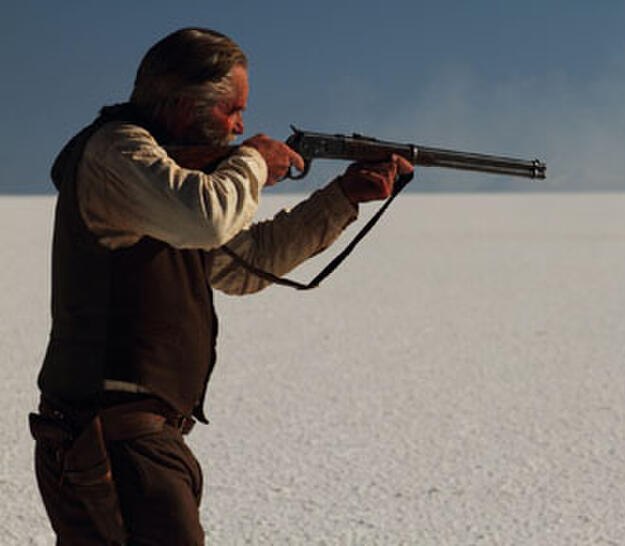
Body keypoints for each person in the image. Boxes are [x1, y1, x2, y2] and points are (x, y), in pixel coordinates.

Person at [30, 27, 413, 545]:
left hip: (135, 441)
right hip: (111, 439)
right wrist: (252, 161)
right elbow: (208, 218)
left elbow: (246, 262)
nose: (240, 125)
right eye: (232, 109)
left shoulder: (167, 187)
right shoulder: (117, 149)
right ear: (185, 104)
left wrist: (343, 197)